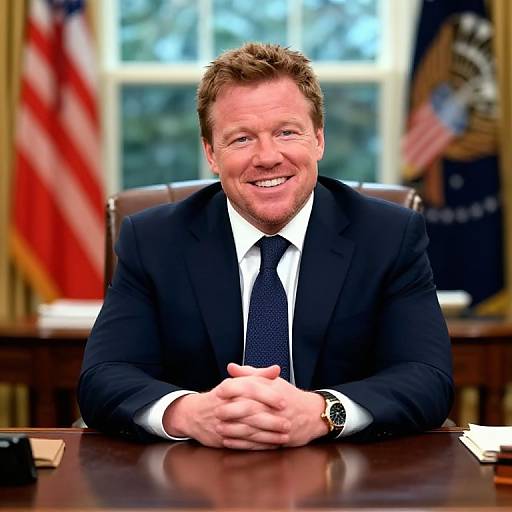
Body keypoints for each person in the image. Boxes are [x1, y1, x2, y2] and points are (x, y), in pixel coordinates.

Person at [78, 42, 453, 449]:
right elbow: (104, 376)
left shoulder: (388, 236)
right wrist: (193, 413)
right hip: (193, 483)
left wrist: (322, 411)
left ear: (318, 140)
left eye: (286, 132)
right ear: (211, 154)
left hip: (346, 482)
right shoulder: (152, 242)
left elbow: (426, 376)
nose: (267, 157)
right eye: (241, 139)